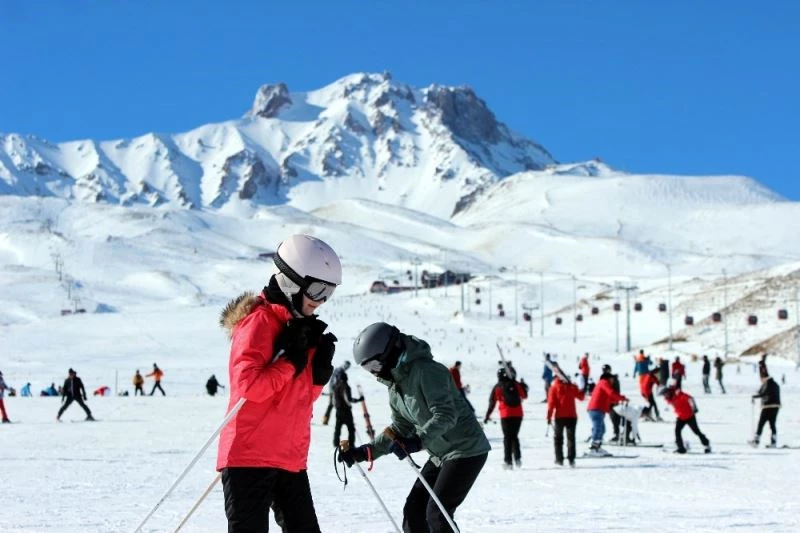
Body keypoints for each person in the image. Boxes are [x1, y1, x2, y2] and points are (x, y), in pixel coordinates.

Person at [216, 234, 341, 533]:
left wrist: (318, 376)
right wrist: (290, 362)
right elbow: (249, 386)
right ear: (291, 281)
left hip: (289, 457)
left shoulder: (299, 329)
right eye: (317, 289)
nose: (321, 300)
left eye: (329, 292)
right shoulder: (258, 322)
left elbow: (298, 399)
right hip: (249, 456)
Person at [340, 322, 490, 533]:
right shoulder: (396, 385)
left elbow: (446, 415)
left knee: (437, 514)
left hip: (466, 450)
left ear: (388, 353)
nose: (373, 373)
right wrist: (366, 452)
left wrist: (417, 441)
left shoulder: (427, 372)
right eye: (367, 369)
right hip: (441, 455)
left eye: (373, 366)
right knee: (413, 512)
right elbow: (401, 426)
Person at [485, 366, 529, 469]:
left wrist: (487, 416)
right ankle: (518, 459)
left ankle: (508, 461)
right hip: (518, 414)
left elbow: (492, 402)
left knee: (507, 438)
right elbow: (524, 396)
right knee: (514, 436)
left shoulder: (498, 386)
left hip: (506, 414)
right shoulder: (516, 384)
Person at [546, 363, 585, 466]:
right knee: (571, 438)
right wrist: (578, 387)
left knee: (558, 439)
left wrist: (549, 417)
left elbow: (551, 404)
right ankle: (571, 459)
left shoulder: (554, 388)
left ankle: (559, 459)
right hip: (572, 416)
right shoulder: (571, 386)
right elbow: (581, 397)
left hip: (560, 417)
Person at [586, 364, 628, 455]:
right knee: (598, 428)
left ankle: (597, 447)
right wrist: (621, 398)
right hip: (596, 409)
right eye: (612, 379)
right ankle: (593, 448)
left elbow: (609, 397)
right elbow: (611, 393)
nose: (613, 381)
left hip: (597, 409)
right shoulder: (604, 383)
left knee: (602, 429)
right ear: (608, 378)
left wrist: (620, 399)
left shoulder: (602, 383)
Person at [661, 385, 710, 453]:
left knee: (696, 431)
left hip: (689, 416)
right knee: (677, 431)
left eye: (665, 394)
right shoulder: (669, 398)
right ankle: (681, 448)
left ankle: (706, 444)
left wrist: (694, 407)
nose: (664, 396)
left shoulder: (679, 395)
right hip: (681, 417)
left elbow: (690, 398)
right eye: (663, 395)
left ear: (669, 392)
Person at [331, 363, 362, 449]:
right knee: (351, 429)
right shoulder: (346, 386)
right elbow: (348, 399)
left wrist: (337, 407)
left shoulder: (335, 386)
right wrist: (359, 400)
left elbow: (333, 400)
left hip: (338, 410)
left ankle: (336, 443)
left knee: (338, 428)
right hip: (346, 411)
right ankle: (351, 444)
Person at [749, 366, 781, 448]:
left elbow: (763, 393)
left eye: (761, 378)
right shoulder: (775, 384)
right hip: (776, 407)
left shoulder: (767, 383)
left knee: (761, 423)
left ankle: (756, 441)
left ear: (764, 377)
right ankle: (773, 442)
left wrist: (754, 397)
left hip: (767, 406)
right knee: (772, 424)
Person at [322, 361, 351, 425]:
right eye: (347, 366)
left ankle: (325, 420)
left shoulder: (338, 370)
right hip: (335, 391)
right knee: (337, 405)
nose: (347, 367)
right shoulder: (340, 371)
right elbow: (336, 381)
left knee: (331, 405)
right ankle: (342, 420)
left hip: (333, 390)